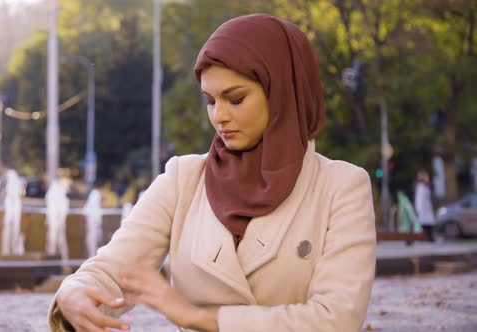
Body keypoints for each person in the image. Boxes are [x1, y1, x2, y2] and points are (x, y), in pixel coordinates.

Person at [48, 14, 376, 332]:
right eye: (210, 100)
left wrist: (199, 318)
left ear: (282, 94)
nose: (219, 116)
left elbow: (336, 319)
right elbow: (112, 269)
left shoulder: (341, 186)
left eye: (235, 99)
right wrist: (73, 292)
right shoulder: (183, 178)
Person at [414, 169, 435, 241]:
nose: (428, 178)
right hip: (423, 209)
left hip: (427, 208)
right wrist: (419, 209)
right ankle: (427, 238)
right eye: (426, 176)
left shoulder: (426, 186)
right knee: (425, 224)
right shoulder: (421, 187)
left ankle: (429, 238)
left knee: (428, 223)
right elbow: (419, 199)